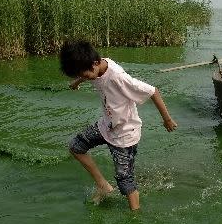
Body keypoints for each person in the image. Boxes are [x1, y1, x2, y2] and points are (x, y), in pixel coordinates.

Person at [59, 40, 177, 211]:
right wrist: (77, 82)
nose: (84, 78)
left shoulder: (118, 78)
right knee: (76, 147)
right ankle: (103, 185)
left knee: (125, 181)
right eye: (80, 75)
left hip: (124, 135)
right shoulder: (96, 65)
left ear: (94, 64)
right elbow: (88, 73)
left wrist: (167, 119)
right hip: (106, 126)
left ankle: (135, 215)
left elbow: (153, 91)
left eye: (84, 75)